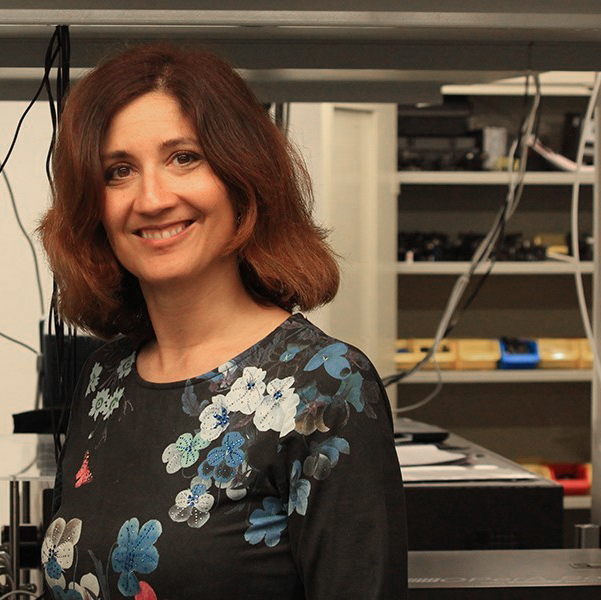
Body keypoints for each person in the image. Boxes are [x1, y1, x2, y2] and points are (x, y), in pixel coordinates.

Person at [36, 44, 407, 600]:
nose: (153, 198)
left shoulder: (327, 387)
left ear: (242, 176)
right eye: (119, 171)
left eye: (184, 157)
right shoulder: (105, 379)